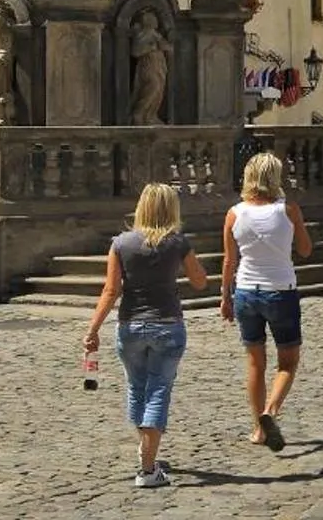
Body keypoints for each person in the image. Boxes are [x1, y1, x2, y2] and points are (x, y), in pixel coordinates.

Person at [83, 183, 211, 489]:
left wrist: (92, 328)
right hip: (167, 324)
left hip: (130, 326)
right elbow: (200, 281)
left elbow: (111, 290)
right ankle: (148, 467)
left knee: (136, 388)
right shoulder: (178, 242)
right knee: (158, 390)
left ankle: (147, 451)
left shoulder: (121, 243)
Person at [221, 151, 313, 451]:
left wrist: (225, 297)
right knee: (287, 361)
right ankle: (269, 413)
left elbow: (228, 261)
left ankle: (258, 430)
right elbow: (305, 250)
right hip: (281, 289)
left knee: (254, 364)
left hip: (247, 290)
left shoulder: (234, 213)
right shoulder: (288, 210)